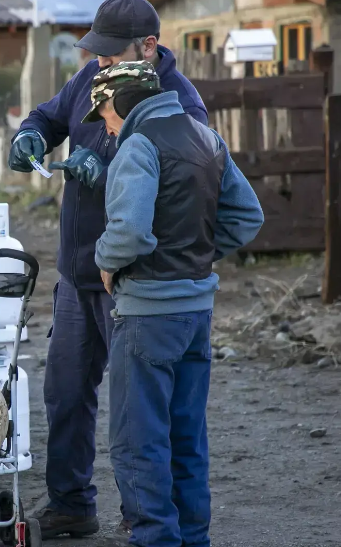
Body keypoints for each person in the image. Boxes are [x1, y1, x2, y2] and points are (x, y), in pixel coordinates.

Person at [9, 0, 208, 539]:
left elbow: (188, 191)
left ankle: (147, 518)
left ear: (149, 47)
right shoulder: (88, 78)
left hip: (133, 282)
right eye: (94, 52)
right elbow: (50, 115)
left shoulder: (182, 105)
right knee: (66, 393)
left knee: (139, 418)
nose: (99, 63)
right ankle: (72, 504)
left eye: (110, 53)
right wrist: (31, 134)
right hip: (77, 274)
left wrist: (112, 172)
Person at [87, 61, 264, 546]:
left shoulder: (138, 145)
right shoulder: (206, 138)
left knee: (139, 441)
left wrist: (105, 261)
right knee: (188, 439)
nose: (106, 126)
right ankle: (193, 538)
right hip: (197, 313)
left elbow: (129, 233)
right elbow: (248, 216)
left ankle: (156, 539)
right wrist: (197, 253)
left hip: (146, 316)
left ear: (122, 102)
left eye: (104, 113)